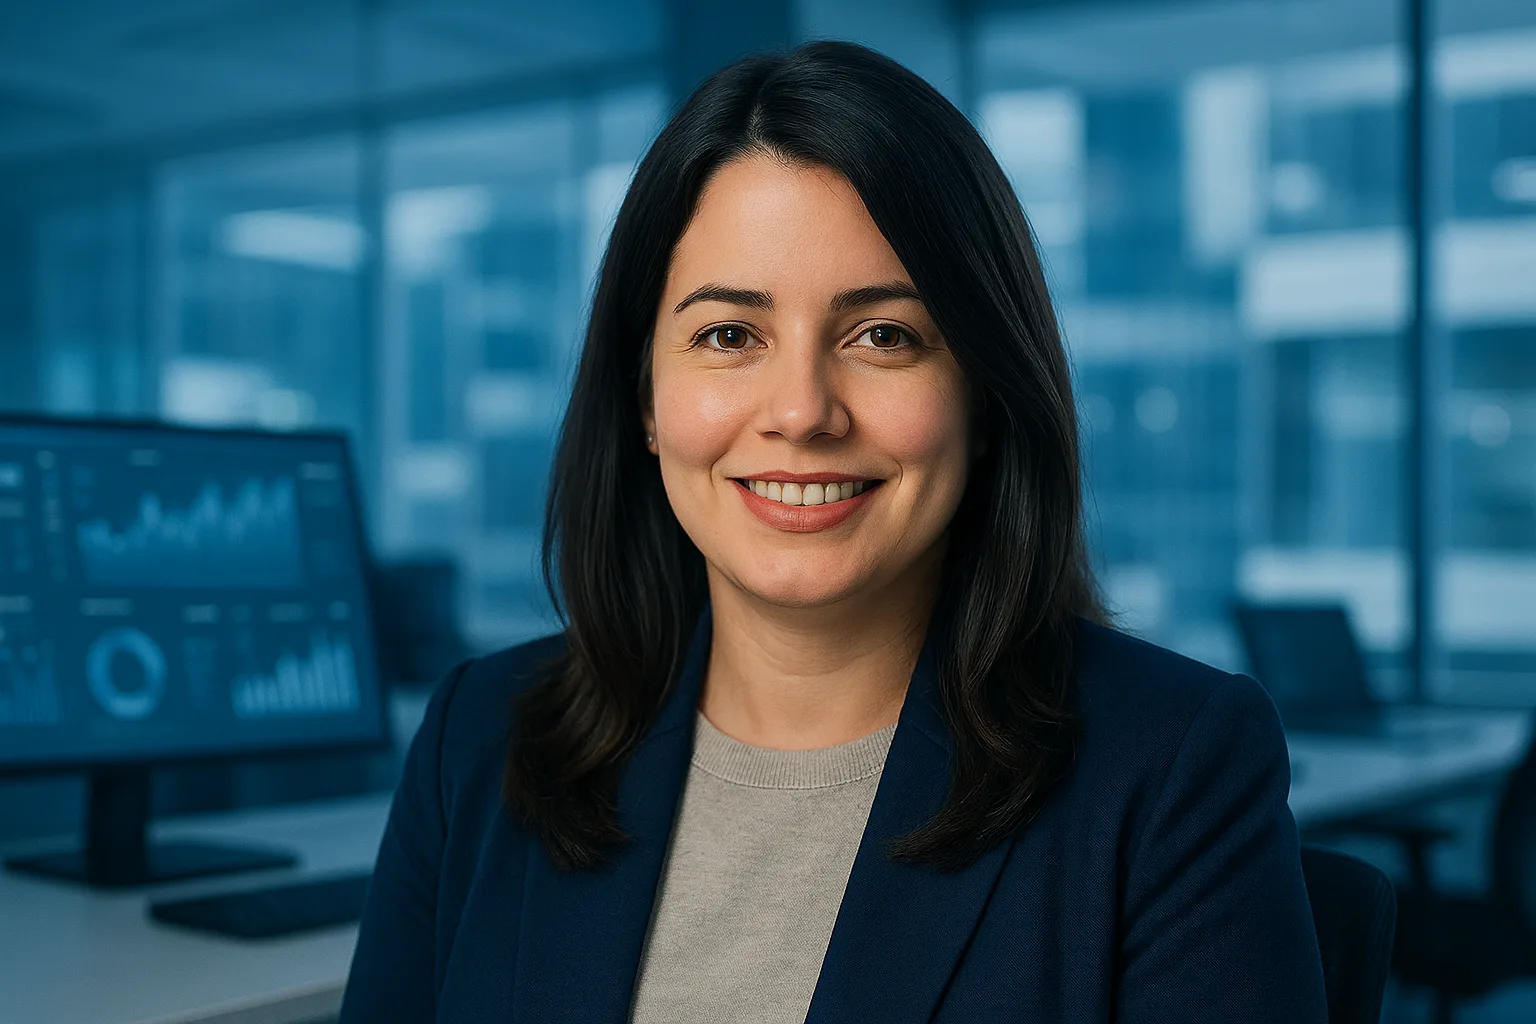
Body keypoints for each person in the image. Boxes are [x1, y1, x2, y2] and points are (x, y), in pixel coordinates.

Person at [339, 40, 1328, 1024]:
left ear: (985, 394)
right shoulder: (479, 740)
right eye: (729, 335)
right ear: (644, 397)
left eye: (883, 336)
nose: (803, 411)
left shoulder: (1172, 768)